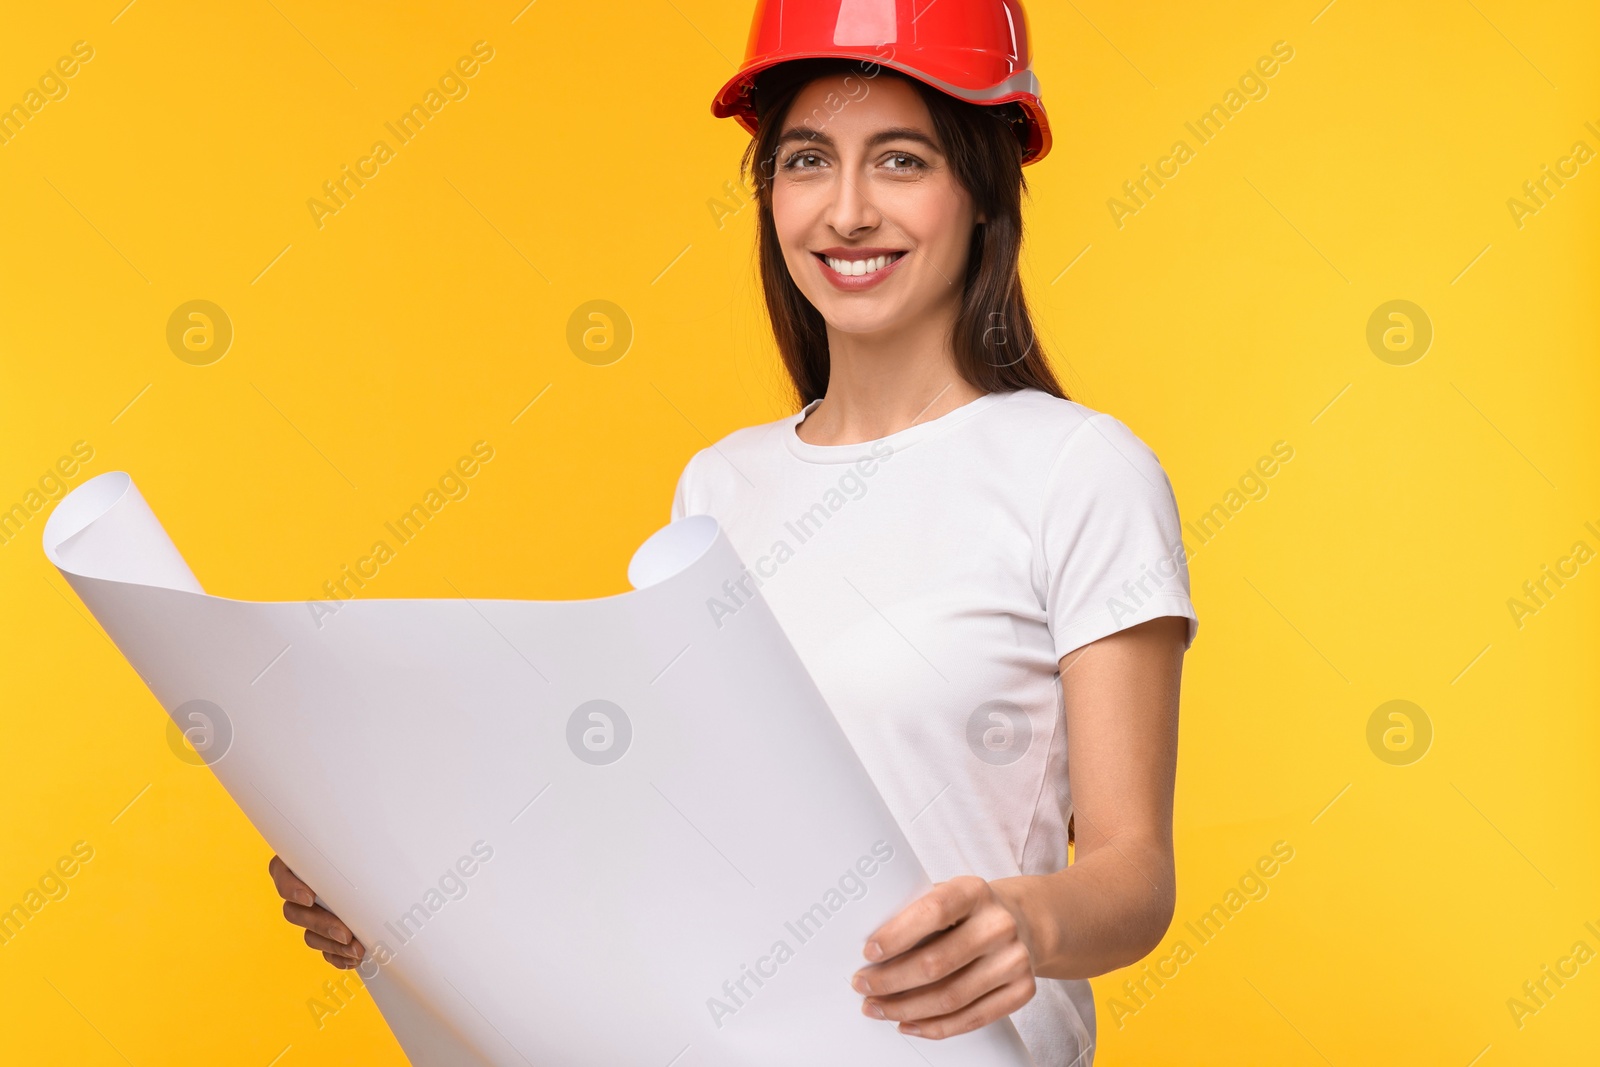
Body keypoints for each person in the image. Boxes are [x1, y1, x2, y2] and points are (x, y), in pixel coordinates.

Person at [270, 3, 1196, 1064]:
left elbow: (1135, 874)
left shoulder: (1077, 471)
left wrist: (1024, 919)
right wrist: (402, 894)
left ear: (981, 188)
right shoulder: (719, 486)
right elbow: (657, 837)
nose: (846, 211)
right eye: (807, 160)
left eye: (900, 160)